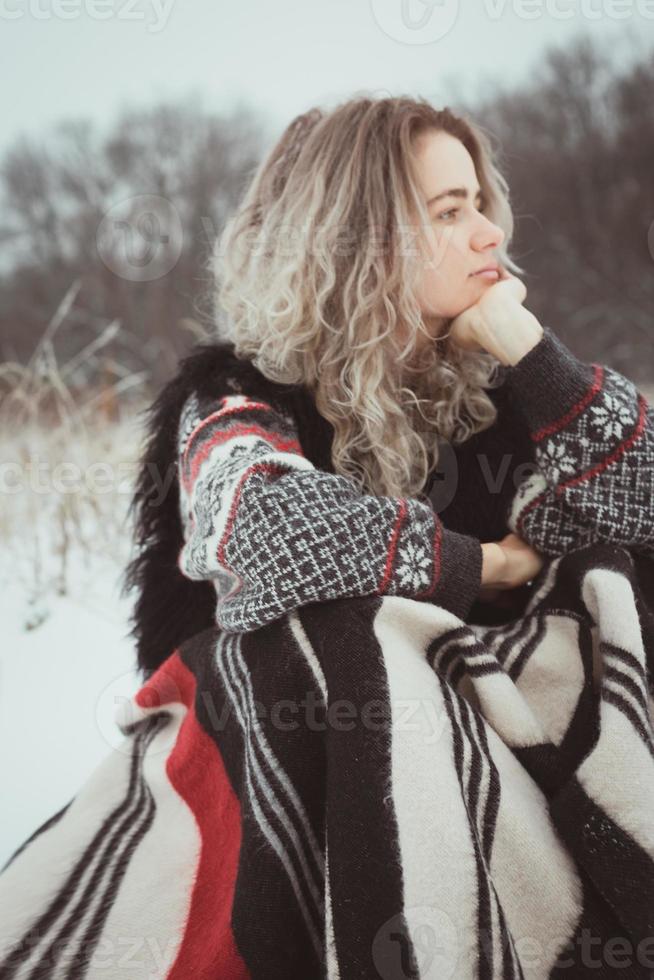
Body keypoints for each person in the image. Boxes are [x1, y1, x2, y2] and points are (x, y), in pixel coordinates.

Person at [126, 95, 653, 679]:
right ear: (362, 240)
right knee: (337, 632)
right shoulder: (242, 391)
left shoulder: (497, 388)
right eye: (450, 212)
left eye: (480, 205)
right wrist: (486, 564)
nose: (490, 234)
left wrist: (534, 353)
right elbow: (265, 536)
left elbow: (642, 507)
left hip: (472, 721)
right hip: (271, 737)